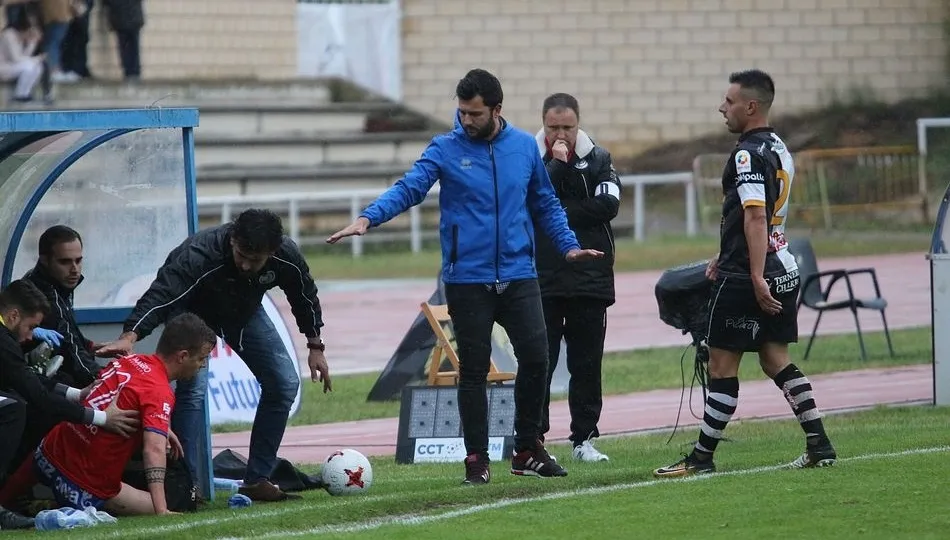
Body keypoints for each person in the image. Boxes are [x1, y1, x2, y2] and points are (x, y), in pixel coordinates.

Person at [328, 68, 603, 485]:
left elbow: (545, 204)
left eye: (474, 114)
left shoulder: (522, 149)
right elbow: (409, 188)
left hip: (519, 274)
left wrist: (566, 244)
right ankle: (476, 458)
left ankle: (527, 448)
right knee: (473, 370)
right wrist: (369, 218)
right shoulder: (444, 148)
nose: (466, 121)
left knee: (537, 359)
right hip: (467, 279)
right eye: (462, 113)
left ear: (497, 109)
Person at [654, 69, 837, 478]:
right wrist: (729, 253)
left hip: (749, 275)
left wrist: (752, 275)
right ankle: (819, 444)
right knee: (775, 360)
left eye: (729, 101)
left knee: (721, 366)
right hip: (783, 263)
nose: (723, 107)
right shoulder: (777, 146)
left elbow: (755, 216)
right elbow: (760, 218)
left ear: (750, 106)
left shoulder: (747, 154)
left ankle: (701, 458)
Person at [96, 209, 331, 502]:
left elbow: (304, 294)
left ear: (271, 253)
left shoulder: (287, 255)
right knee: (193, 390)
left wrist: (315, 345)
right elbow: (162, 294)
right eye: (241, 254)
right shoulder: (199, 254)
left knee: (284, 383)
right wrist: (130, 335)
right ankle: (188, 485)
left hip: (242, 312)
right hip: (192, 313)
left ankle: (257, 479)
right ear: (232, 239)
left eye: (254, 260)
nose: (245, 265)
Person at [1, 312, 214, 516]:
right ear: (183, 356)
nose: (202, 364)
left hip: (48, 453)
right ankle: (55, 505)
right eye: (202, 358)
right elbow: (154, 449)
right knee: (175, 498)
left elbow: (118, 395)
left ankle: (7, 499)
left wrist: (162, 426)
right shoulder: (160, 390)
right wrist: (161, 510)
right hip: (84, 484)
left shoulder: (128, 361)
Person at [534, 93, 622, 462]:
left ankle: (583, 439)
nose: (561, 134)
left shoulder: (599, 158)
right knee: (540, 361)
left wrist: (554, 211)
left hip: (591, 279)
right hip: (542, 279)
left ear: (578, 124)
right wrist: (553, 168)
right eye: (553, 127)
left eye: (567, 127)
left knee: (586, 364)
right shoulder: (531, 159)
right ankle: (533, 440)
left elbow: (609, 204)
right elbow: (529, 200)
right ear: (543, 124)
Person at [23, 225, 101, 388]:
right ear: (45, 260)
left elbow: (67, 333)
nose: (74, 270)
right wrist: (105, 379)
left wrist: (90, 346)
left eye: (78, 260)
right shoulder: (47, 296)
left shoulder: (54, 281)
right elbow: (71, 350)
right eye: (65, 262)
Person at [0, 11, 44, 103]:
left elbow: (24, 57)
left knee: (38, 67)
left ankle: (25, 93)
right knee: (30, 65)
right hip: (3, 67)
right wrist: (35, 59)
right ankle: (19, 95)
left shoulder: (22, 38)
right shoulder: (9, 35)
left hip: (11, 67)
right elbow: (16, 58)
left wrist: (32, 42)